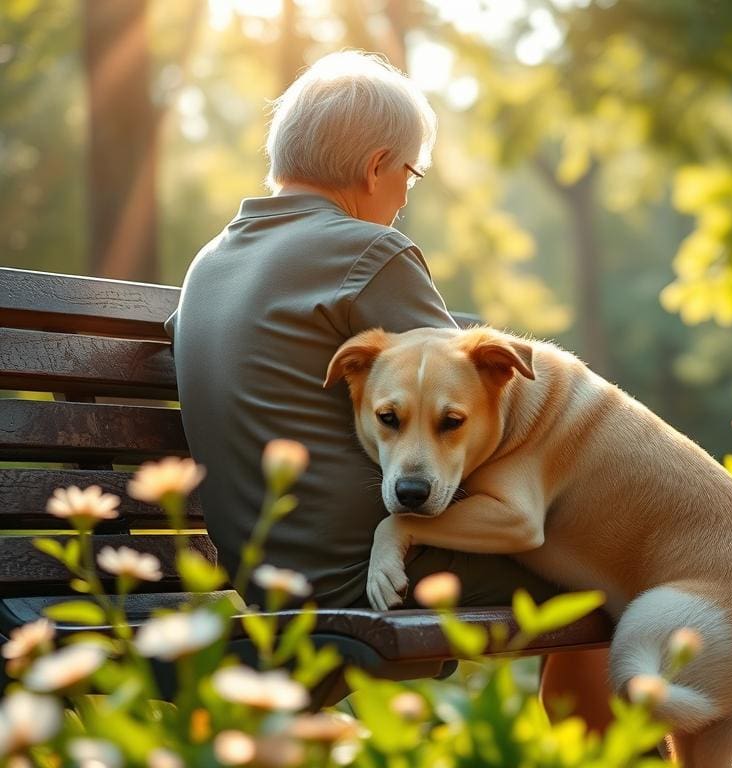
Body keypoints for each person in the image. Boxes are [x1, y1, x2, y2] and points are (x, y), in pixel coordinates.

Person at [164, 49, 612, 732]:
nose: (405, 198)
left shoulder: (210, 263)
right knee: (618, 573)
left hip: (267, 579)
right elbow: (476, 405)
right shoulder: (368, 253)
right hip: (360, 580)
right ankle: (599, 752)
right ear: (377, 167)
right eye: (410, 174)